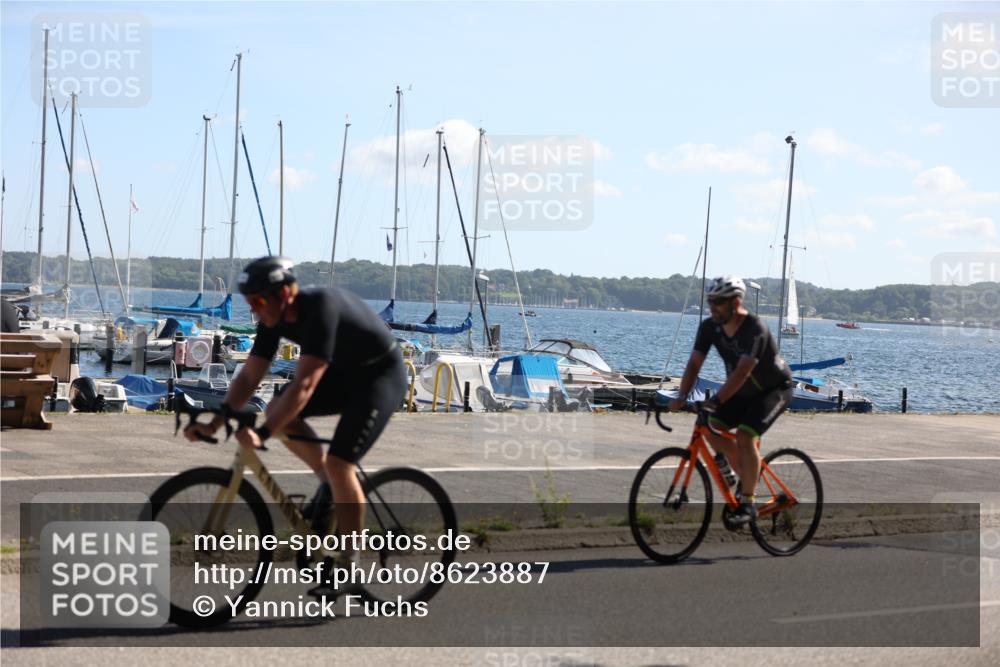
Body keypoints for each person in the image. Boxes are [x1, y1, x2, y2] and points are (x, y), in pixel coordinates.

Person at [184, 256, 407, 578]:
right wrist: (216, 422)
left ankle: (349, 563)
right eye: (251, 303)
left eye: (260, 300)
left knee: (340, 463)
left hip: (380, 377)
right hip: (345, 375)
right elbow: (248, 377)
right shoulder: (271, 319)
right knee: (278, 409)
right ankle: (330, 487)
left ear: (285, 293)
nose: (256, 309)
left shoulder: (320, 308)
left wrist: (262, 434)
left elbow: (304, 385)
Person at [668, 275, 794, 525]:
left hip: (774, 390)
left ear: (735, 302)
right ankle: (746, 474)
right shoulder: (709, 327)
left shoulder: (755, 329)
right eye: (710, 301)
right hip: (742, 393)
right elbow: (694, 364)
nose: (712, 307)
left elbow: (742, 372)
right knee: (711, 426)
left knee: (746, 436)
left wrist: (716, 399)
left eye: (718, 302)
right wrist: (681, 397)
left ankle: (748, 502)